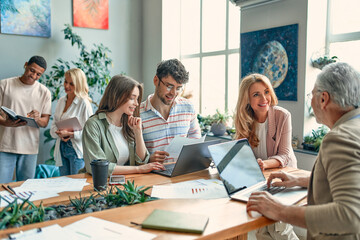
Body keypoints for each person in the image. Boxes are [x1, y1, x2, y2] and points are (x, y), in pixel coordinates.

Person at [247, 62, 360, 240]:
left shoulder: (340, 138)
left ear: (323, 99)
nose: (311, 100)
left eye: (311, 94)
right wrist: (299, 180)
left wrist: (279, 210)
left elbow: (350, 216)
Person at [82, 74, 165, 176]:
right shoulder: (93, 125)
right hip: (98, 186)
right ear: (117, 96)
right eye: (132, 98)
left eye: (137, 99)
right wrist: (138, 169)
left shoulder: (129, 124)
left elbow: (142, 161)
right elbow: (98, 167)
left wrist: (138, 133)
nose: (137, 103)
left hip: (126, 184)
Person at [0, 56, 52, 183]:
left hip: (29, 148)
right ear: (25, 65)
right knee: (2, 187)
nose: (34, 76)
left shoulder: (44, 92)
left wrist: (38, 118)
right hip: (6, 145)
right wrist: (6, 123)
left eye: (38, 74)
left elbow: (45, 122)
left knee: (26, 188)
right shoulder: (5, 84)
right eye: (32, 71)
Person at [140, 59, 201, 162]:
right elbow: (132, 155)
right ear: (156, 81)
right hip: (152, 174)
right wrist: (148, 159)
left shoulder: (188, 107)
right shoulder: (138, 113)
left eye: (178, 88)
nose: (173, 93)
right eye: (169, 86)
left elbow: (196, 141)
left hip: (182, 172)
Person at [234, 73, 297, 170]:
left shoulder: (283, 116)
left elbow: (284, 155)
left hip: (285, 174)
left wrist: (264, 164)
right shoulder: (244, 119)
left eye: (266, 92)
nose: (264, 99)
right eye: (256, 95)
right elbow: (241, 154)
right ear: (247, 99)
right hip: (259, 174)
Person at [50, 68, 93, 176]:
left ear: (78, 84)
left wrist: (71, 134)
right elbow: (54, 125)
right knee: (63, 184)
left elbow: (90, 132)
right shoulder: (61, 101)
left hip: (76, 151)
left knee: (76, 186)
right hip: (61, 148)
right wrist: (58, 132)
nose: (66, 86)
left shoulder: (84, 103)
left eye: (71, 84)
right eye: (65, 82)